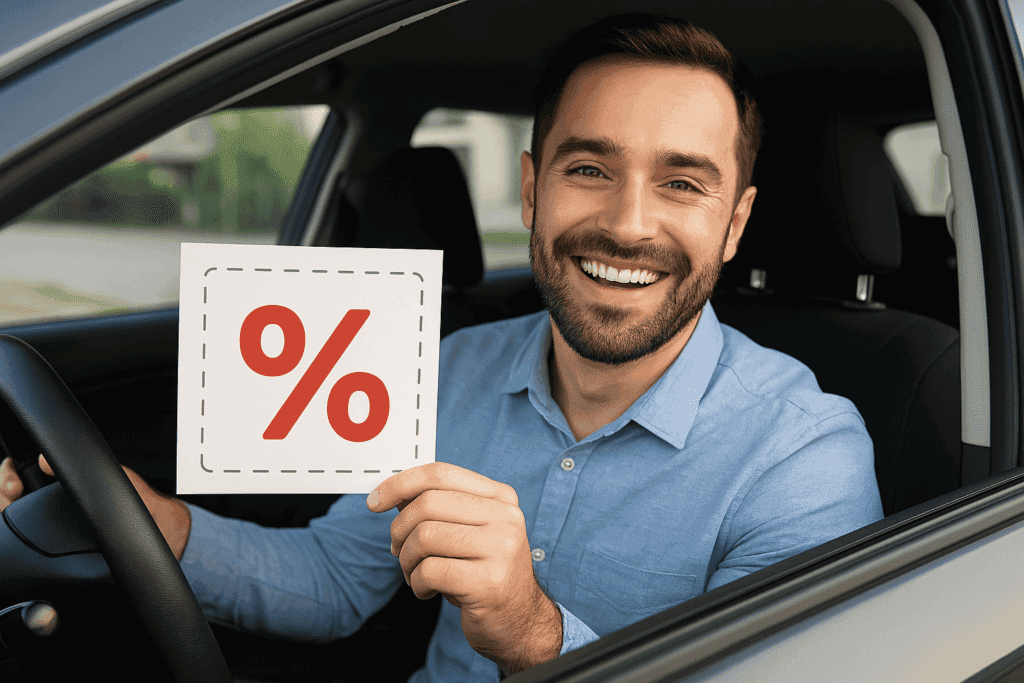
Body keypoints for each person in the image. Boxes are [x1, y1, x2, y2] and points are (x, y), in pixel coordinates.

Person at [0, 13, 884, 681]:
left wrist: (536, 632)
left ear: (734, 224)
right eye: (588, 169)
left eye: (682, 183)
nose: (626, 224)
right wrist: (158, 522)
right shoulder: (450, 365)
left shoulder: (805, 455)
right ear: (532, 191)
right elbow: (337, 584)